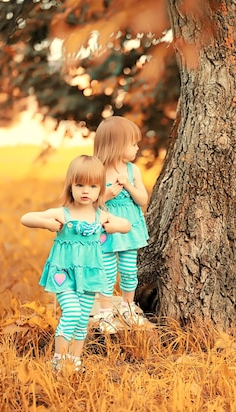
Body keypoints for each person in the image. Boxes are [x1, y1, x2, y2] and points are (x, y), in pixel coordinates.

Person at [21, 155, 131, 372]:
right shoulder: (63, 214)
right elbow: (26, 217)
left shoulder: (101, 216)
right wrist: (46, 223)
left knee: (82, 319)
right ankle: (58, 360)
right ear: (70, 186)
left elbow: (126, 225)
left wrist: (114, 227)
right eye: (79, 185)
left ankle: (75, 360)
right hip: (64, 272)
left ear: (101, 189)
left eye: (92, 186)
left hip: (89, 275)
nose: (85, 191)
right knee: (71, 312)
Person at [93, 116, 149, 333]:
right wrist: (105, 196)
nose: (137, 147)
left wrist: (129, 186)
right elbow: (86, 201)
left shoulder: (132, 171)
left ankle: (128, 305)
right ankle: (105, 311)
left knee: (128, 270)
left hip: (128, 227)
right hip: (106, 227)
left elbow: (143, 200)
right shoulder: (97, 170)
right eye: (133, 143)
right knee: (106, 270)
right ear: (116, 145)